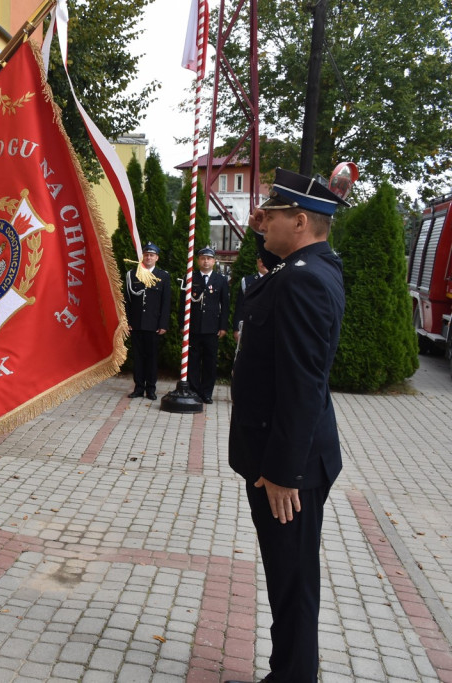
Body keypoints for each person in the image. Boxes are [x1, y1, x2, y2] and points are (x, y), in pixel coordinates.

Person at [227, 168, 348, 683]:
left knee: (293, 582)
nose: (263, 221)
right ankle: (289, 673)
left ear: (299, 222)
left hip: (287, 469)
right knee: (286, 578)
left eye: (272, 215)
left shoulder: (301, 279)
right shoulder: (311, 265)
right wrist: (263, 231)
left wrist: (281, 473)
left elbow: (302, 386)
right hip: (287, 459)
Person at [124, 243, 171, 400]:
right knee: (137, 357)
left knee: (151, 358)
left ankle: (151, 389)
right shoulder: (133, 275)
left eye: (152, 255)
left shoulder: (163, 276)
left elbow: (166, 302)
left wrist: (163, 323)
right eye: (146, 255)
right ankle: (138, 387)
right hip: (136, 323)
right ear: (142, 257)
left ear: (157, 258)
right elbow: (128, 301)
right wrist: (127, 321)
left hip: (153, 325)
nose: (149, 257)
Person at [187, 246, 229, 403]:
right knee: (193, 360)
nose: (206, 261)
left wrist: (223, 326)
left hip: (212, 328)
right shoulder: (191, 278)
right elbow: (183, 303)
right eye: (203, 258)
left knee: (210, 361)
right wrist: (182, 324)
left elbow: (225, 305)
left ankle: (206, 392)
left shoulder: (221, 280)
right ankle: (193, 390)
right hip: (194, 326)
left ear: (214, 261)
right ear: (198, 260)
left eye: (209, 258)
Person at [232, 256, 268, 342]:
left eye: (266, 261)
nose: (263, 264)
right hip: (250, 326)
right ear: (257, 263)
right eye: (260, 261)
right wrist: (237, 329)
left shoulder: (277, 279)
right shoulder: (247, 281)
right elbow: (240, 306)